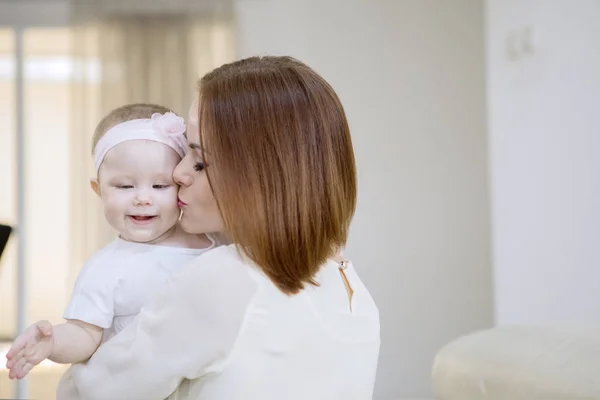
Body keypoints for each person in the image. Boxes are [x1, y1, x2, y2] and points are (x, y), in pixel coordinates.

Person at [63, 55, 380, 400]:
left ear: (260, 177)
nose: (179, 173)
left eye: (199, 161)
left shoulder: (224, 278)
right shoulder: (353, 290)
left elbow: (85, 392)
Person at [4, 104, 216, 380]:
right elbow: (85, 334)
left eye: (160, 186)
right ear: (99, 190)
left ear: (180, 185)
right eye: (125, 186)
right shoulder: (106, 267)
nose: (143, 198)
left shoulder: (212, 242)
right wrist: (52, 342)